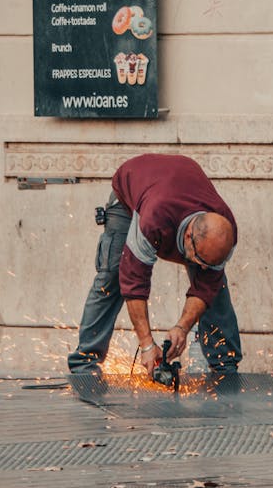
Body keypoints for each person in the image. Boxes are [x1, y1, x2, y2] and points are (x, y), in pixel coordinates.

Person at [68, 153, 242, 380]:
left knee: (216, 288)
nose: (203, 268)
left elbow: (206, 287)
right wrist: (147, 344)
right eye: (200, 261)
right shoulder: (154, 219)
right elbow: (133, 282)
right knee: (112, 275)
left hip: (172, 185)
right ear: (188, 236)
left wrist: (181, 328)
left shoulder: (223, 231)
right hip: (129, 199)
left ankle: (224, 365)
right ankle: (84, 364)